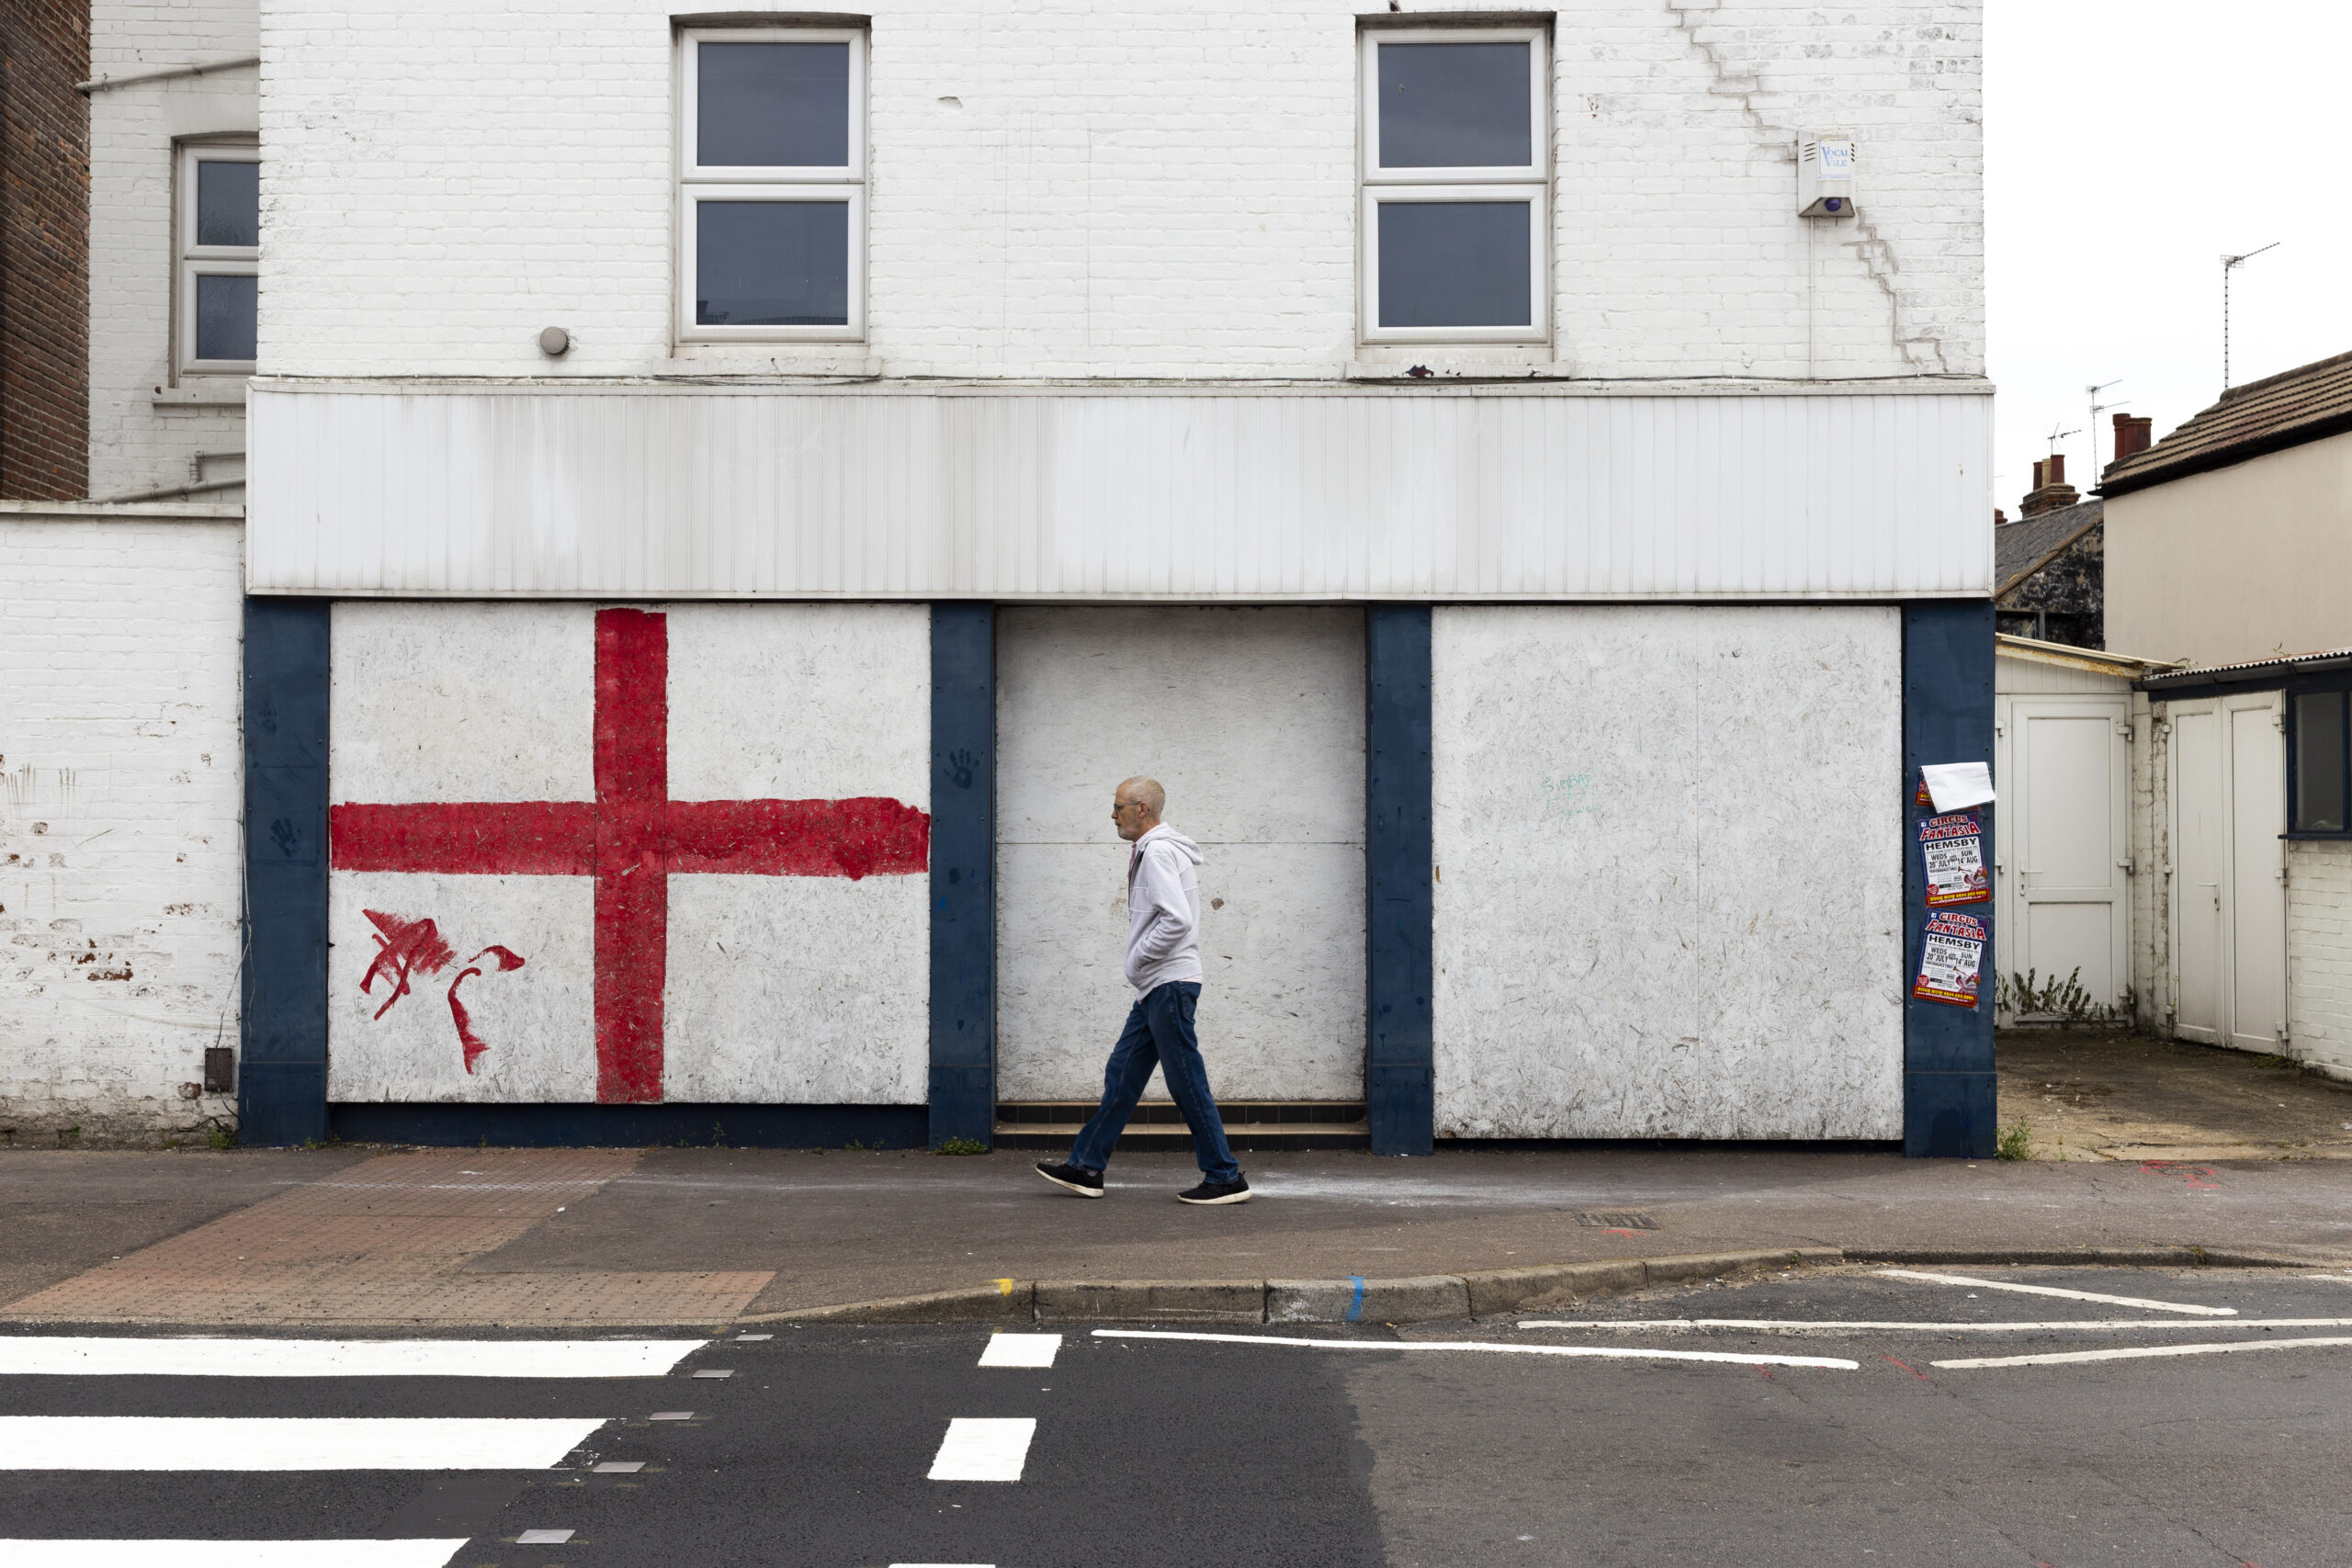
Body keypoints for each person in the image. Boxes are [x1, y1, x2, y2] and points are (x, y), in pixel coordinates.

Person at [1035, 775, 1251, 1205]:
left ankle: (1224, 1176)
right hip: (1158, 985)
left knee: (1187, 1081)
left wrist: (1137, 961)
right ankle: (1086, 1167)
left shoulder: (1157, 853)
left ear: (1143, 809)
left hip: (1167, 983)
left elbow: (1177, 921)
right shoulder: (1155, 850)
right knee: (1123, 1075)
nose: (1112, 814)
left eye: (1119, 807)